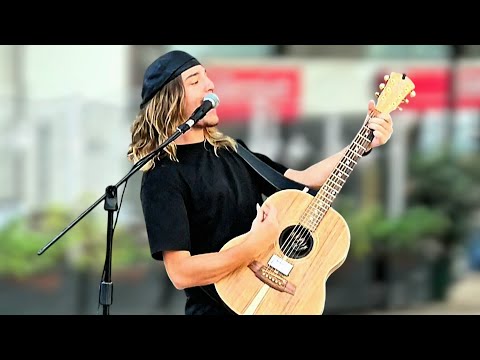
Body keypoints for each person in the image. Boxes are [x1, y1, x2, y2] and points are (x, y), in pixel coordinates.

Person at [127, 49, 394, 315]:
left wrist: (362, 144)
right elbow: (181, 273)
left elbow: (301, 181)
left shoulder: (233, 151)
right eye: (195, 81)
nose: (210, 86)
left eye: (207, 77)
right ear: (169, 101)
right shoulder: (161, 176)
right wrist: (252, 247)